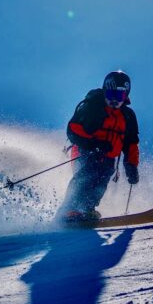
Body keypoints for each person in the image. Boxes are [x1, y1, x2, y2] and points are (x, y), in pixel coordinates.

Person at [58, 70, 139, 221]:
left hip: (108, 157)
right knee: (88, 173)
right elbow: (73, 129)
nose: (115, 100)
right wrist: (94, 145)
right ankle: (70, 209)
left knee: (103, 177)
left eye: (119, 96)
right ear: (104, 92)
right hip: (85, 151)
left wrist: (131, 167)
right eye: (111, 95)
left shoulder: (127, 116)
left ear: (126, 96)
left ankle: (87, 209)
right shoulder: (93, 107)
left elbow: (131, 144)